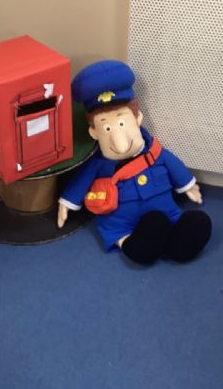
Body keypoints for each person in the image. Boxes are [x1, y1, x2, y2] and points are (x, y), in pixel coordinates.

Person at [57, 60, 211, 265]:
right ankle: (133, 245)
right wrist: (67, 203)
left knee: (192, 222)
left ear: (137, 118)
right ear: (94, 131)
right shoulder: (98, 163)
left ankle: (176, 245)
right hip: (123, 225)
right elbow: (81, 181)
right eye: (107, 128)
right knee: (153, 225)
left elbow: (173, 165)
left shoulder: (155, 151)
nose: (118, 142)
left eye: (122, 122)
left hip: (166, 214)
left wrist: (188, 186)